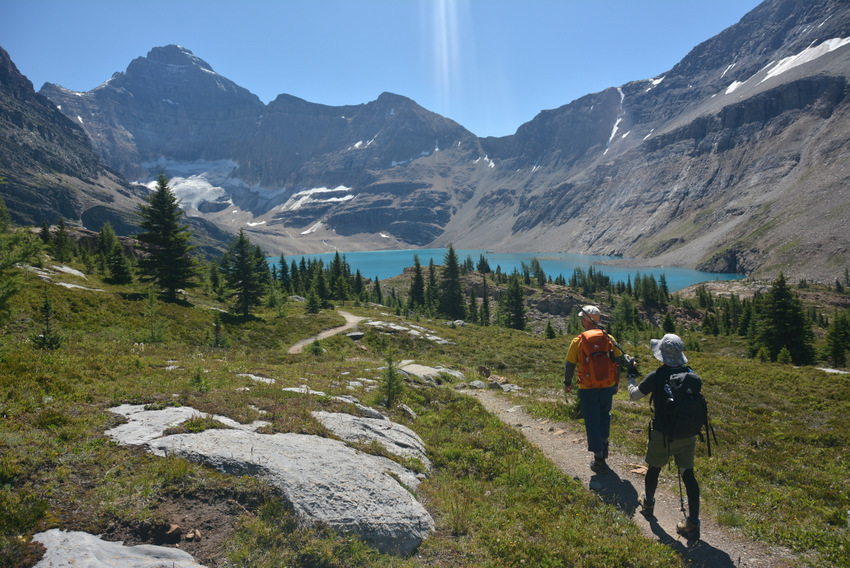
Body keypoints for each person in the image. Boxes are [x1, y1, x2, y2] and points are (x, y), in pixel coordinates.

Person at [627, 333, 701, 541]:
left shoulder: (658, 375)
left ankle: (648, 503)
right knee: (688, 475)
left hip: (663, 433)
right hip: (687, 435)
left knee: (654, 468)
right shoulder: (690, 373)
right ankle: (693, 523)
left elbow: (633, 396)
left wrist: (631, 376)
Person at [564, 305, 622, 474]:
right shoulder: (609, 338)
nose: (581, 321)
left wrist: (567, 382)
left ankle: (598, 459)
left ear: (585, 320)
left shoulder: (578, 340)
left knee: (592, 420)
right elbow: (617, 362)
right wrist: (616, 383)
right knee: (605, 415)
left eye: (582, 318)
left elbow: (570, 364)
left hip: (587, 387)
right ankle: (604, 447)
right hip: (607, 386)